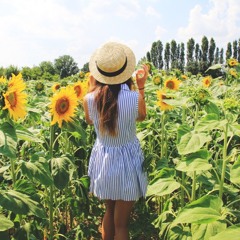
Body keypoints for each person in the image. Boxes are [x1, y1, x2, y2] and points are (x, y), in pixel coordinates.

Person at [83, 41, 148, 240]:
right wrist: (142, 87)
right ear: (125, 71)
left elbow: (88, 120)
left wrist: (92, 86)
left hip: (104, 160)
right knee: (121, 224)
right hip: (128, 162)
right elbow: (141, 116)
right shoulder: (134, 98)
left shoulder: (89, 99)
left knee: (109, 214)